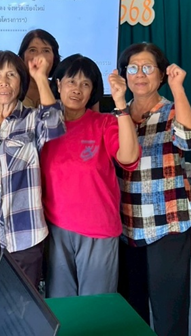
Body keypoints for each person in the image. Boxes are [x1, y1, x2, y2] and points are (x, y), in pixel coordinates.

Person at [0, 50, 65, 304]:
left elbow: (55, 124)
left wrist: (40, 77)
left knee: (24, 307)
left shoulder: (32, 119)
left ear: (21, 81)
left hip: (25, 232)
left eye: (11, 75)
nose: (4, 82)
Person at [116, 43, 191, 336]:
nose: (139, 74)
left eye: (148, 68)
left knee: (169, 315)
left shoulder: (172, 110)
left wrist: (178, 89)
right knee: (132, 314)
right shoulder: (118, 114)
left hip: (167, 223)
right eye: (132, 68)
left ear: (162, 74)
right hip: (127, 225)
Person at [41, 54, 140, 298]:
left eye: (85, 84)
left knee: (95, 306)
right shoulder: (44, 125)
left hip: (98, 230)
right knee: (60, 307)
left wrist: (121, 104)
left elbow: (128, 157)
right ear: (58, 84)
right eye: (71, 81)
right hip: (56, 229)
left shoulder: (104, 123)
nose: (77, 89)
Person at [17, 29, 60, 108]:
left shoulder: (62, 91)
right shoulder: (13, 90)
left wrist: (41, 78)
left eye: (46, 51)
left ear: (55, 57)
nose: (39, 56)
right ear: (22, 57)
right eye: (32, 50)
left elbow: (52, 115)